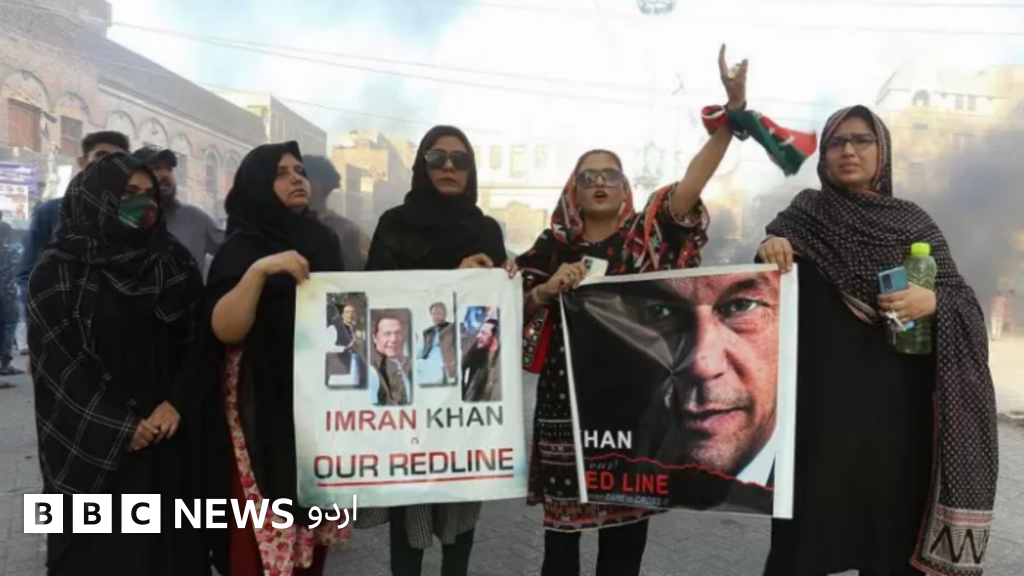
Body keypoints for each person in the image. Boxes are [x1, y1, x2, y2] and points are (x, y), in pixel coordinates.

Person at [516, 45, 810, 576]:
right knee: (560, 549)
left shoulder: (645, 237)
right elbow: (507, 311)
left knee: (623, 549)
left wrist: (731, 116)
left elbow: (691, 184)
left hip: (634, 413)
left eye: (610, 175)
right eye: (588, 176)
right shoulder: (548, 250)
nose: (599, 182)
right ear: (572, 192)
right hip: (566, 414)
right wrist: (544, 292)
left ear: (625, 189)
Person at [756, 105, 998, 576]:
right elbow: (761, 297)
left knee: (889, 541)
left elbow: (962, 299)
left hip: (896, 419)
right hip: (816, 416)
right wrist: (770, 248)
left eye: (862, 140)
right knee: (801, 547)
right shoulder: (803, 216)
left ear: (882, 151)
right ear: (824, 156)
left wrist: (933, 302)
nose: (849, 150)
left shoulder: (913, 223)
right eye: (837, 142)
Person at [27, 152, 206, 575]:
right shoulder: (57, 271)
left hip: (167, 434)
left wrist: (176, 402)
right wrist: (120, 426)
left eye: (149, 195)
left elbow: (200, 343)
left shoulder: (173, 260)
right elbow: (57, 368)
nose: (143, 203)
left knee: (172, 556)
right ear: (96, 195)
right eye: (128, 193)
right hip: (93, 444)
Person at [357, 125, 513, 576]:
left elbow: (490, 321)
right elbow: (378, 303)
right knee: (408, 512)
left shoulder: (485, 230)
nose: (448, 166)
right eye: (437, 157)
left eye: (460, 160)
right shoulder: (394, 224)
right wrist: (451, 277)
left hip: (464, 398)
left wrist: (503, 283)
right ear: (421, 165)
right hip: (408, 396)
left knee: (461, 513)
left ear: (471, 171)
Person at [205, 141, 348, 576]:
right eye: (281, 173)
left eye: (300, 171)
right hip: (260, 407)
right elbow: (225, 329)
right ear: (256, 185)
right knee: (259, 533)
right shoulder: (242, 247)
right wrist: (260, 271)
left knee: (312, 534)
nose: (296, 179)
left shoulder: (323, 241)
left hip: (315, 403)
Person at [17, 131, 131, 351]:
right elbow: (27, 274)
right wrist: (43, 327)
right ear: (82, 161)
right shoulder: (50, 212)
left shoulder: (132, 216)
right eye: (100, 156)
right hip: (61, 340)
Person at [133, 146, 224, 277]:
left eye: (169, 169)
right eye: (155, 168)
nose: (165, 175)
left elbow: (235, 252)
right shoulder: (122, 223)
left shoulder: (196, 219)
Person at [304, 154, 371, 271]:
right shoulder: (280, 228)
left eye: (306, 178)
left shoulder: (349, 232)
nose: (295, 182)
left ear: (320, 185)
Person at [368, 312, 413, 406]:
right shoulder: (370, 371)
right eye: (387, 334)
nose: (393, 339)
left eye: (398, 333)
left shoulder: (412, 364)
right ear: (375, 338)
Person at [461, 318, 501, 403]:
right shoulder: (475, 354)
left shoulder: (498, 362)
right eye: (479, 332)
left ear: (494, 337)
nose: (478, 336)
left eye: (483, 333)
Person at [0, 222, 21, 376]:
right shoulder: (12, 252)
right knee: (9, 326)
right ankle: (5, 364)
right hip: (8, 294)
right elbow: (18, 272)